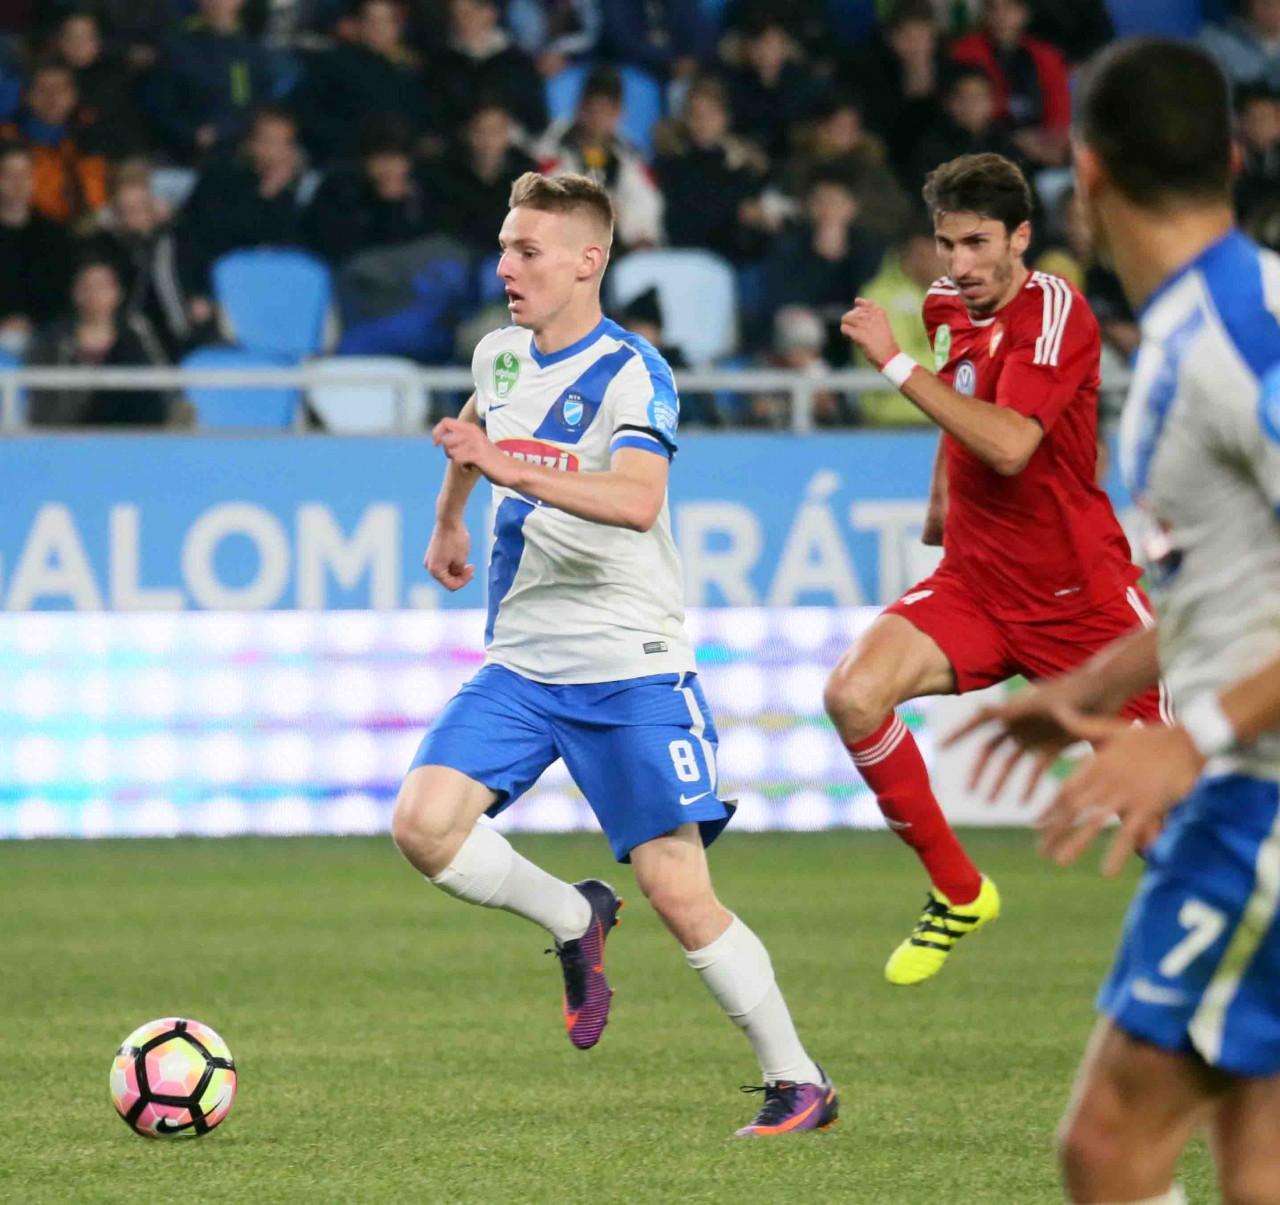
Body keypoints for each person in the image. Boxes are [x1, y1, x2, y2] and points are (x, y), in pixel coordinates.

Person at [391, 170, 837, 1137]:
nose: (506, 267)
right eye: (504, 248)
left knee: (677, 890)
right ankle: (572, 918)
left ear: (588, 260)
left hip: (629, 663)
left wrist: (507, 468)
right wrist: (450, 517)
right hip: (523, 662)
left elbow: (637, 500)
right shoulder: (499, 355)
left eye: (527, 250)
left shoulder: (634, 372)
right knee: (423, 826)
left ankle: (799, 1080)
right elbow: (475, 431)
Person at [948, 38, 1280, 1205]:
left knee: (1107, 1148)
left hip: (1256, 798)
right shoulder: (1221, 317)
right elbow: (1231, 582)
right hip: (1245, 778)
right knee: (1255, 1157)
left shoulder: (1230, 341)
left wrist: (1188, 737)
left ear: (1080, 173)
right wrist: (1089, 687)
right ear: (1229, 158)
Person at [834, 150, 1165, 986]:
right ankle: (959, 890)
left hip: (1082, 602)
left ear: (1020, 236)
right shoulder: (946, 305)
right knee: (852, 693)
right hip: (978, 584)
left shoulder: (1056, 310)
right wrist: (940, 504)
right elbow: (963, 408)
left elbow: (1013, 443)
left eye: (978, 243)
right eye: (947, 244)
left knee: (1166, 827)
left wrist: (893, 364)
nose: (960, 264)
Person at [27, 255, 170, 426]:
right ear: (74, 292)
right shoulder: (54, 340)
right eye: (86, 286)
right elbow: (44, 401)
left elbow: (163, 381)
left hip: (132, 427)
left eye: (102, 286)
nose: (94, 295)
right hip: (74, 428)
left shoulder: (138, 332)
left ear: (118, 292)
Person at [534, 65, 663, 252]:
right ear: (580, 108)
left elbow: (644, 201)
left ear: (619, 113)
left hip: (615, 246)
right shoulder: (552, 148)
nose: (598, 118)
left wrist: (639, 235)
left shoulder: (629, 154)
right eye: (593, 109)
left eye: (607, 111)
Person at [949, 0, 1072, 168]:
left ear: (1024, 13)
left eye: (1009, 8)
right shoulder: (966, 52)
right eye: (993, 8)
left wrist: (1044, 142)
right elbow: (969, 111)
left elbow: (1060, 116)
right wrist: (1013, 140)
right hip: (987, 148)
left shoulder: (1047, 56)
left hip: (1043, 149)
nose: (1001, 16)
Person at [0, 60, 108, 225]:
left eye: (61, 89)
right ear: (27, 95)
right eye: (42, 90)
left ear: (74, 95)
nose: (52, 97)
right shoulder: (6, 137)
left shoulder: (95, 136)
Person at [0, 141, 74, 354]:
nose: (18, 183)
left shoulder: (55, 235)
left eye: (24, 174)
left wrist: (33, 324)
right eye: (9, 175)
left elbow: (62, 294)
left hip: (45, 337)